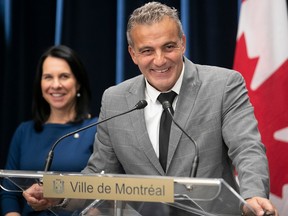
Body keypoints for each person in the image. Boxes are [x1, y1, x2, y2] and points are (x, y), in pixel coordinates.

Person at [23, 2, 278, 216]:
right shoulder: (116, 99)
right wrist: (56, 194)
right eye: (147, 50)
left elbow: (247, 148)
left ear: (183, 43)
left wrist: (253, 195)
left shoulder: (223, 85)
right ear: (133, 54)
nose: (159, 60)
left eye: (168, 47)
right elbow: (100, 175)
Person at [0, 45, 97, 216]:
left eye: (64, 76)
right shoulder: (24, 132)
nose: (56, 85)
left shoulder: (95, 130)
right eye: (48, 77)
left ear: (78, 83)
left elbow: (101, 193)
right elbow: (8, 193)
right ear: (40, 84)